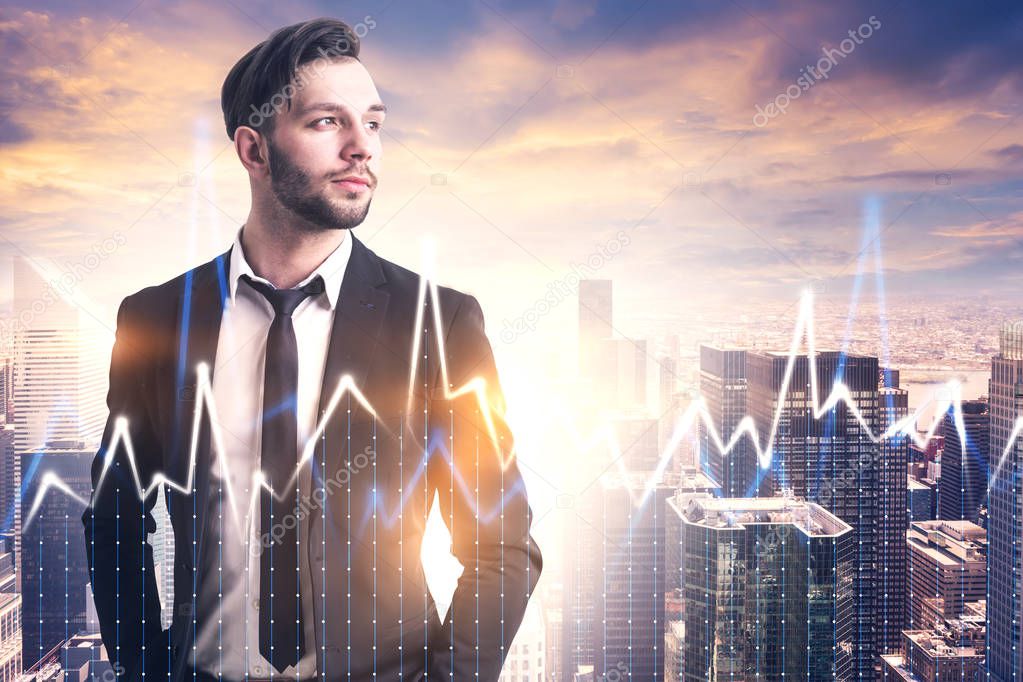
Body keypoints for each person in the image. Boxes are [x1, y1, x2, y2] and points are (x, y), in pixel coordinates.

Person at [82, 17, 542, 681]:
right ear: (254, 149)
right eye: (328, 122)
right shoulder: (157, 319)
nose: (363, 148)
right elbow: (116, 518)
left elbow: (502, 544)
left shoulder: (439, 323)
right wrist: (144, 669)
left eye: (374, 124)